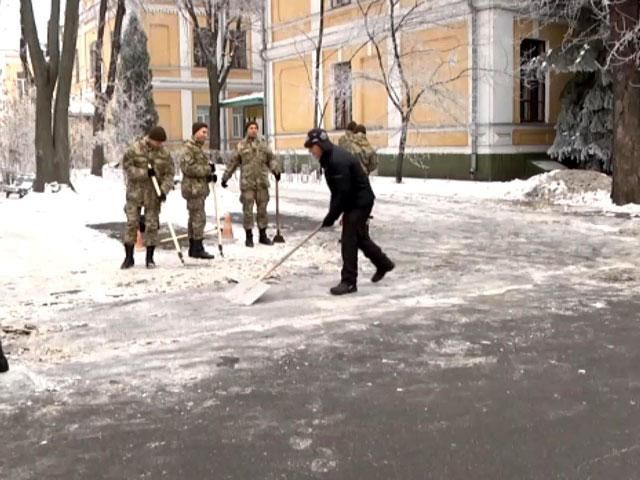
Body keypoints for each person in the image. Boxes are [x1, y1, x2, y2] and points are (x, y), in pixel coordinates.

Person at [304, 128, 395, 295]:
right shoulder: (329, 157)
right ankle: (383, 263)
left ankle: (349, 281)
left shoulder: (336, 161)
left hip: (360, 202)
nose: (310, 151)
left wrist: (331, 216)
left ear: (319, 145)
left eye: (311, 147)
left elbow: (342, 193)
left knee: (348, 239)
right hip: (355, 200)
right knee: (359, 238)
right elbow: (337, 192)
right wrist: (332, 215)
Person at [121, 126, 175, 269]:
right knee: (132, 223)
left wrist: (164, 190)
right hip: (135, 193)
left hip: (153, 195)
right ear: (150, 138)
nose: (159, 145)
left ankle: (149, 259)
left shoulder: (164, 154)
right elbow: (127, 167)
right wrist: (144, 173)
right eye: (157, 142)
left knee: (152, 225)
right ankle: (129, 257)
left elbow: (170, 174)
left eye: (161, 143)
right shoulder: (135, 149)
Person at [221, 121, 281, 247]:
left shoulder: (263, 145)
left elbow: (271, 159)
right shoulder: (241, 146)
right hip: (247, 183)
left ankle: (263, 235)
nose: (253, 130)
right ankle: (249, 237)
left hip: (262, 183)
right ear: (247, 130)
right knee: (248, 211)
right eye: (251, 128)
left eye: (255, 128)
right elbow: (233, 163)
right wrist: (225, 177)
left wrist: (276, 170)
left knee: (262, 210)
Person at [179, 122, 216, 259]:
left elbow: (200, 169)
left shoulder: (198, 149)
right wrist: (207, 170)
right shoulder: (188, 148)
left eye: (206, 132)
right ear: (195, 133)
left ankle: (194, 247)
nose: (205, 135)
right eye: (203, 132)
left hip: (199, 189)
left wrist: (209, 176)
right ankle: (197, 247)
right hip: (193, 190)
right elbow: (189, 169)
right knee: (198, 218)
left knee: (195, 218)